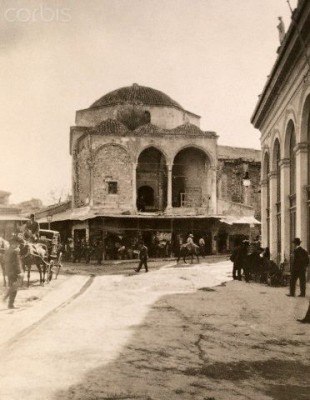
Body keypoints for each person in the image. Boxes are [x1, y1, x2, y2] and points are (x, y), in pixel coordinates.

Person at [3, 236, 23, 309]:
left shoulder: (8, 250)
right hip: (14, 272)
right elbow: (17, 263)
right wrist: (19, 272)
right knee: (14, 288)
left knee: (12, 286)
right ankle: (10, 304)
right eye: (18, 243)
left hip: (9, 271)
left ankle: (7, 300)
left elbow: (6, 262)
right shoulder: (15, 251)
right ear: (15, 243)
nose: (19, 245)